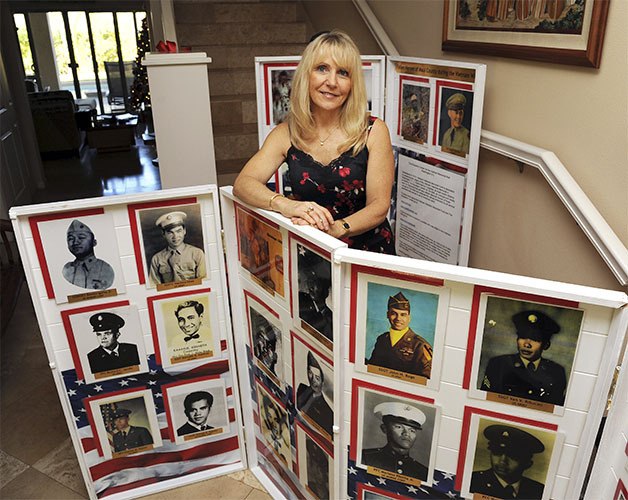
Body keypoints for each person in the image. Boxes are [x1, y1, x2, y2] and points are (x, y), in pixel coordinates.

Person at [233, 30, 395, 255]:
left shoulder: (373, 131)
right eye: (322, 69)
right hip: (310, 251)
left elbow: (379, 206)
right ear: (306, 75)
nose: (332, 82)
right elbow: (243, 184)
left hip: (366, 253)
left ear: (352, 84)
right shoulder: (286, 133)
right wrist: (285, 204)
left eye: (343, 73)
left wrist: (338, 229)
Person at [480, 310, 567, 406]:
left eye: (535, 339)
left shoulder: (557, 372)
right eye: (522, 337)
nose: (526, 344)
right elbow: (484, 402)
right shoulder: (498, 364)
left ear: (546, 345)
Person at [367, 292, 433, 378]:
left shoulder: (420, 345)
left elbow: (425, 379)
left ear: (409, 318)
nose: (398, 319)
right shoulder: (382, 339)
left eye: (403, 315)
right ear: (388, 315)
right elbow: (372, 368)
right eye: (394, 313)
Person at [471, 424, 546, 499]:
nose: (503, 461)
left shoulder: (538, 491)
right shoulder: (474, 482)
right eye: (497, 452)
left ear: (528, 463)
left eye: (513, 456)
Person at [362, 401, 428, 481]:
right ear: (384, 429)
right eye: (399, 427)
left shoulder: (423, 472)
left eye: (412, 430)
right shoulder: (366, 457)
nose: (406, 434)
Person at [149, 211, 206, 285]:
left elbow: (203, 283)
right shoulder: (157, 259)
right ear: (164, 234)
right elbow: (154, 287)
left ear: (184, 231)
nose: (175, 236)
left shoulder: (197, 254)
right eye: (170, 232)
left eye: (178, 231)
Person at [62, 219, 114, 290]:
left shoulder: (106, 269)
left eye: (81, 237)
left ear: (94, 242)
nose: (75, 242)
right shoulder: (66, 269)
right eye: (71, 238)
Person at [297, 352, 333, 436]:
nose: (313, 380)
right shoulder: (302, 389)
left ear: (322, 382)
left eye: (317, 378)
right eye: (310, 374)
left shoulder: (328, 412)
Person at [298, 256, 333, 342]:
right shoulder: (300, 301)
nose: (310, 288)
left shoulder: (332, 316)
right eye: (309, 282)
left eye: (314, 283)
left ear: (324, 286)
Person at [262, 396, 290, 463]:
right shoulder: (267, 434)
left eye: (275, 419)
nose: (272, 421)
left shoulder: (286, 440)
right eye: (269, 416)